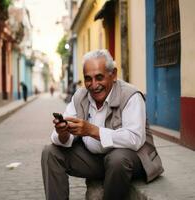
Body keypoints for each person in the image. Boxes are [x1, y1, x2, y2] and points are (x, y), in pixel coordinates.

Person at [41, 49, 164, 200]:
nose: (93, 85)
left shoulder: (131, 95)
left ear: (113, 75)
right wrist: (63, 133)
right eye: (88, 79)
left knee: (117, 160)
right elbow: (62, 135)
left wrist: (93, 131)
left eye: (99, 77)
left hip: (130, 161)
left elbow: (135, 139)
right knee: (50, 152)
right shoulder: (80, 96)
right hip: (96, 160)